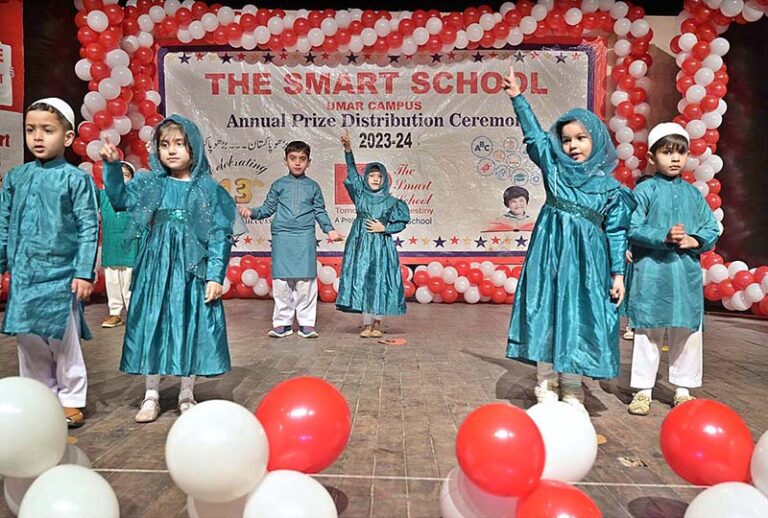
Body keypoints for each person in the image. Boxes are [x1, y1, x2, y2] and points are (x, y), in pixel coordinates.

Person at [501, 66, 636, 413]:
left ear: (596, 140)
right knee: (547, 309)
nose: (573, 145)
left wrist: (618, 274)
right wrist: (518, 98)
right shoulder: (555, 169)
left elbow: (617, 231)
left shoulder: (610, 189)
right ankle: (545, 380)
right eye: (567, 140)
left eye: (581, 138)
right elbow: (534, 136)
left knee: (580, 314)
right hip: (550, 253)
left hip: (589, 263)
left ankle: (573, 385)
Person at [100, 115, 242, 423]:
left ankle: (186, 393)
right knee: (153, 322)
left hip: (191, 271)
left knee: (189, 323)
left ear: (194, 147)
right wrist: (112, 166)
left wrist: (215, 276)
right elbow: (119, 199)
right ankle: (151, 394)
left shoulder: (208, 189)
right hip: (156, 267)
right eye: (165, 144)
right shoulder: (151, 183)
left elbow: (220, 235)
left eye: (179, 144)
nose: (172, 151)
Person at [0, 98, 99, 427]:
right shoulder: (16, 177)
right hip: (24, 275)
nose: (37, 137)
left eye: (47, 130)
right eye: (31, 130)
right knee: (28, 340)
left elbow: (88, 227)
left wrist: (84, 272)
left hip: (61, 275)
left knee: (62, 339)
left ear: (68, 138)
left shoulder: (75, 179)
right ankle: (40, 398)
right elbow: (3, 223)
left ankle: (70, 398)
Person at [626, 123, 719, 416]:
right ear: (652, 157)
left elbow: (710, 227)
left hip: (685, 276)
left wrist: (696, 240)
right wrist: (663, 237)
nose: (675, 159)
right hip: (653, 274)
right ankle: (642, 390)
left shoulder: (693, 194)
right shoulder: (645, 190)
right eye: (667, 152)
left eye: (681, 152)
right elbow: (633, 227)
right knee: (648, 333)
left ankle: (682, 389)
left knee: (687, 333)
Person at [238, 141, 343, 339]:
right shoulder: (279, 185)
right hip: (282, 236)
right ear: (285, 160)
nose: (297, 163)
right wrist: (251, 212)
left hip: (304, 236)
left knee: (306, 282)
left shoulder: (313, 186)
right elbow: (267, 209)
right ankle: (282, 324)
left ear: (308, 162)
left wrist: (329, 230)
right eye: (293, 159)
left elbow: (320, 211)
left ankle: (306, 324)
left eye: (302, 159)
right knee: (281, 282)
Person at [336, 129, 411, 338]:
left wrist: (384, 228)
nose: (375, 179)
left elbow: (402, 222)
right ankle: (366, 324)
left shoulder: (391, 201)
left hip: (380, 246)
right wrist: (348, 150)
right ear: (366, 177)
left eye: (379, 176)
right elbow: (351, 173)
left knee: (378, 280)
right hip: (360, 245)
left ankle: (377, 323)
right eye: (372, 175)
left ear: (385, 179)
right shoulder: (360, 195)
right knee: (363, 280)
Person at [99, 161, 138, 328]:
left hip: (131, 242)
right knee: (112, 279)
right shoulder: (102, 195)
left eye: (125, 175)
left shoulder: (137, 196)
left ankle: (134, 314)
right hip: (111, 243)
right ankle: (114, 313)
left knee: (130, 279)